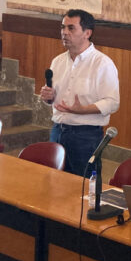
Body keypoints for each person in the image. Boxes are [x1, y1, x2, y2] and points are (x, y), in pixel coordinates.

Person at [39, 9, 120, 178]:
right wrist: (48, 97)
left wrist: (83, 110)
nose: (64, 32)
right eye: (62, 27)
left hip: (85, 136)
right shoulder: (58, 61)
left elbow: (112, 102)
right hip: (58, 130)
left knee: (82, 186)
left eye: (71, 28)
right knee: (53, 182)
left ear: (87, 33)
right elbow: (53, 99)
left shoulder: (102, 63)